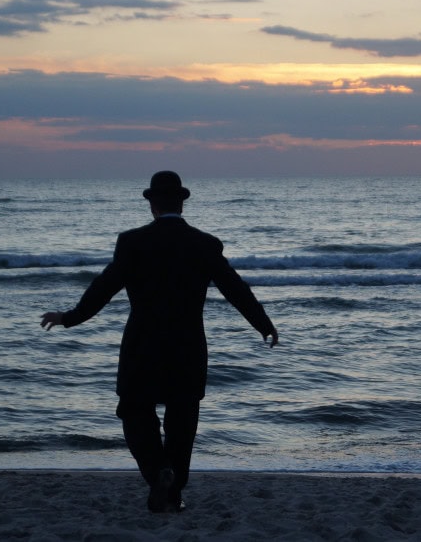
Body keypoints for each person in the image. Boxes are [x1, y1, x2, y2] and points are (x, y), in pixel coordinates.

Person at [40, 171, 278, 513]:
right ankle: (174, 491)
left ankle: (157, 472)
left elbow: (104, 287)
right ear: (181, 203)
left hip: (142, 345)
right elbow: (234, 288)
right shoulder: (204, 243)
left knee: (135, 413)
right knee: (182, 422)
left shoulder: (132, 242)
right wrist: (263, 324)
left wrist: (69, 317)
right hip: (188, 346)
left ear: (152, 204)